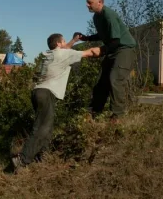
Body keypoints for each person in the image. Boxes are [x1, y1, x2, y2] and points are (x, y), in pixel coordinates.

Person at [11, 33, 101, 172]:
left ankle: (42, 158)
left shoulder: (48, 54)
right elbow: (90, 52)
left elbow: (64, 49)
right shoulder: (64, 54)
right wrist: (109, 48)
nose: (66, 43)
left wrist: (74, 40)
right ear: (59, 44)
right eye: (64, 41)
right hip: (47, 93)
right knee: (42, 128)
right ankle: (22, 159)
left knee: (47, 127)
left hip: (37, 92)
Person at [74, 0, 136, 122]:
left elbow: (116, 41)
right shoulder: (96, 17)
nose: (87, 5)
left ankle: (117, 116)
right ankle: (94, 112)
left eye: (89, 2)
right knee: (101, 82)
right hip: (113, 50)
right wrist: (87, 38)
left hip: (124, 49)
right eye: (87, 2)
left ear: (99, 2)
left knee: (115, 79)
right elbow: (103, 35)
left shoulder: (109, 15)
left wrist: (101, 50)